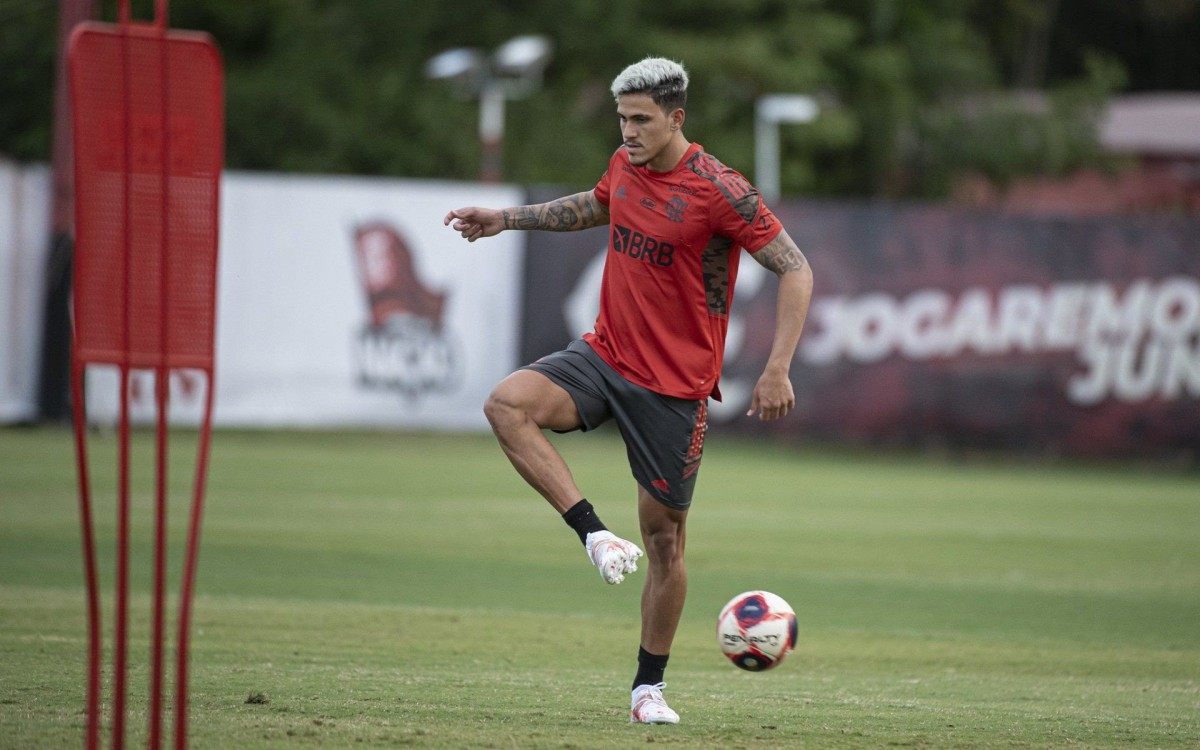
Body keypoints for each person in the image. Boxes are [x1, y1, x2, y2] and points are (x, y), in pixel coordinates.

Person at [444, 57, 813, 725]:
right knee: (506, 405)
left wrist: (778, 366)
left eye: (641, 120)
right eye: (622, 118)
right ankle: (594, 536)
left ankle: (648, 689)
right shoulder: (625, 163)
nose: (629, 131)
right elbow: (593, 204)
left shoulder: (719, 189)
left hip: (674, 390)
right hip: (603, 354)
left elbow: (795, 268)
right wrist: (505, 218)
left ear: (677, 118)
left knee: (666, 543)